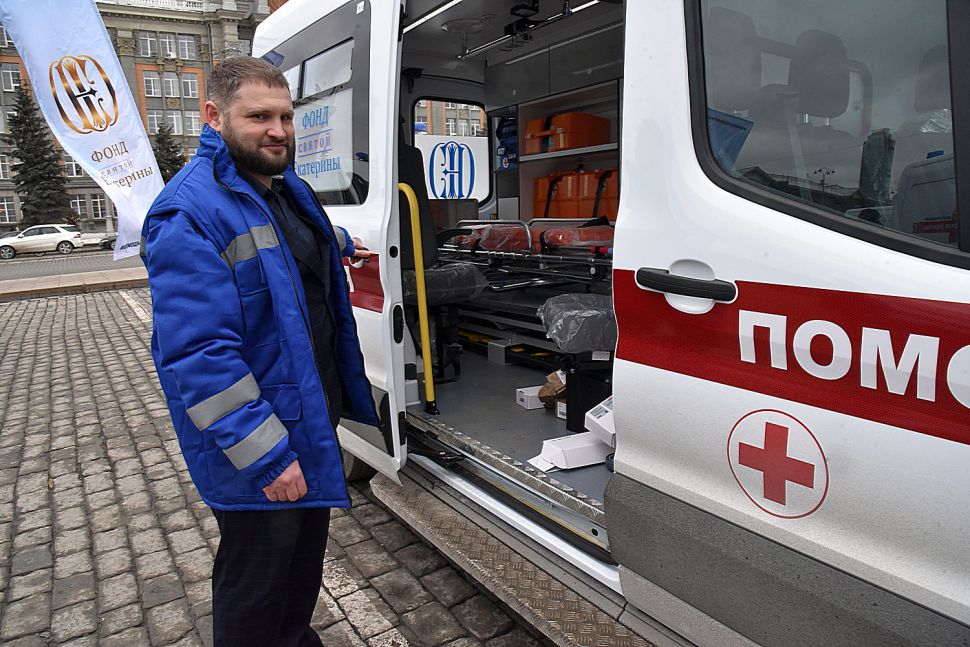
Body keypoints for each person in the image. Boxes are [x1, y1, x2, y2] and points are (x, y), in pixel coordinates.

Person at [141, 56, 380, 647]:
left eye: (285, 117)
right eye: (258, 117)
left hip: (308, 419)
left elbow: (283, 247)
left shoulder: (281, 188)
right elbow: (199, 355)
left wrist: (338, 241)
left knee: (298, 573)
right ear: (214, 117)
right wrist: (267, 457)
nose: (277, 131)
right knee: (257, 587)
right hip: (260, 440)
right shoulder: (187, 212)